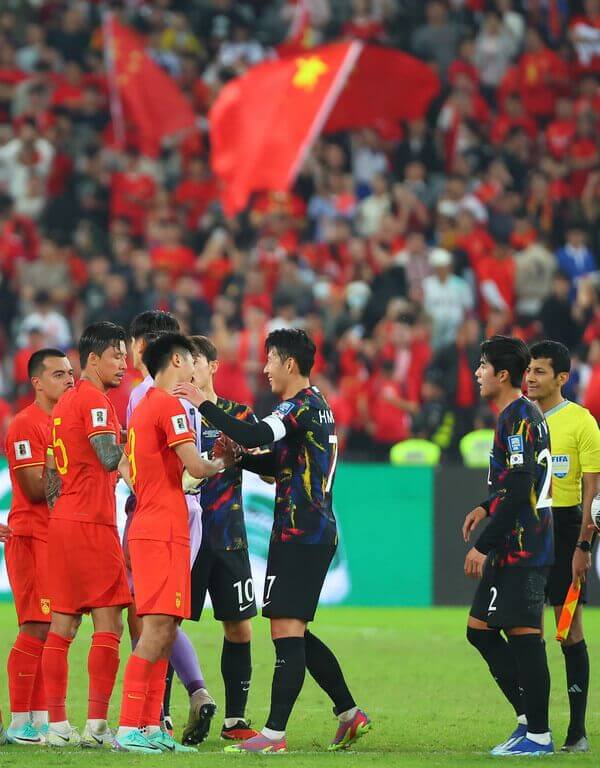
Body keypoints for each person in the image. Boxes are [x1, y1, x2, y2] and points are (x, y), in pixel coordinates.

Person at [175, 328, 370, 754]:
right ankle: (348, 712)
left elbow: (256, 436)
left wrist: (203, 403)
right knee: (293, 630)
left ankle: (275, 735)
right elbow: (276, 461)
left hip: (302, 533)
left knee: (285, 630)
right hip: (305, 532)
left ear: (290, 364)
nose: (264, 369)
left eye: (270, 360)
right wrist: (239, 457)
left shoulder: (298, 406)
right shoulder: (315, 405)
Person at [114, 333, 224, 754]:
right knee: (156, 628)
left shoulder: (145, 406)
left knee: (166, 629)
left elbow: (137, 466)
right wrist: (224, 460)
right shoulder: (168, 405)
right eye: (192, 359)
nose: (196, 366)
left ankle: (150, 725)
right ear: (177, 361)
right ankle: (129, 727)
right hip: (161, 528)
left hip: (159, 524)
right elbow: (194, 466)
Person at [462, 335, 554, 756]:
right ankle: (526, 719)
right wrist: (486, 506)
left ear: (501, 375)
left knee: (524, 636)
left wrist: (483, 545)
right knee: (479, 629)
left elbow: (521, 488)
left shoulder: (518, 417)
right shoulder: (516, 415)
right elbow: (518, 483)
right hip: (514, 544)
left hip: (525, 546)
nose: (477, 373)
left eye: (483, 365)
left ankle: (539, 735)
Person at [41, 321, 131, 747]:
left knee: (62, 623)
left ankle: (57, 726)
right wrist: (142, 446)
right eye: (116, 356)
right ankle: (96, 727)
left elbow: (50, 475)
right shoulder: (96, 400)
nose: (124, 364)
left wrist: (62, 516)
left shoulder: (64, 403)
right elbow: (108, 455)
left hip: (63, 521)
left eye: (126, 356)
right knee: (109, 621)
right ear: (93, 359)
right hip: (91, 523)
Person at [526, 340, 600, 753]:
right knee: (526, 632)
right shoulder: (520, 418)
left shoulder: (581, 422)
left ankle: (577, 730)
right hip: (528, 530)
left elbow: (593, 491)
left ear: (562, 378)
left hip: (567, 529)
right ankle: (534, 728)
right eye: (529, 370)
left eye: (539, 371)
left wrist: (584, 544)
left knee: (569, 630)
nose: (530, 378)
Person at [187, 335, 260, 743]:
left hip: (230, 538)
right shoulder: (175, 414)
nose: (190, 369)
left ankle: (235, 720)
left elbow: (268, 471)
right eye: (184, 362)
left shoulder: (238, 414)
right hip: (186, 538)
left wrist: (246, 454)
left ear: (213, 366)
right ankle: (159, 717)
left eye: (196, 361)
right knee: (167, 627)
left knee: (239, 629)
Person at [4, 348, 74, 745]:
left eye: (70, 373)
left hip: (59, 537)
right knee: (37, 624)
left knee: (53, 629)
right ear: (37, 382)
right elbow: (33, 489)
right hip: (32, 537)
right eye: (58, 374)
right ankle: (19, 722)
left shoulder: (65, 422)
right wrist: (68, 468)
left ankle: (41, 718)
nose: (68, 379)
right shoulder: (25, 424)